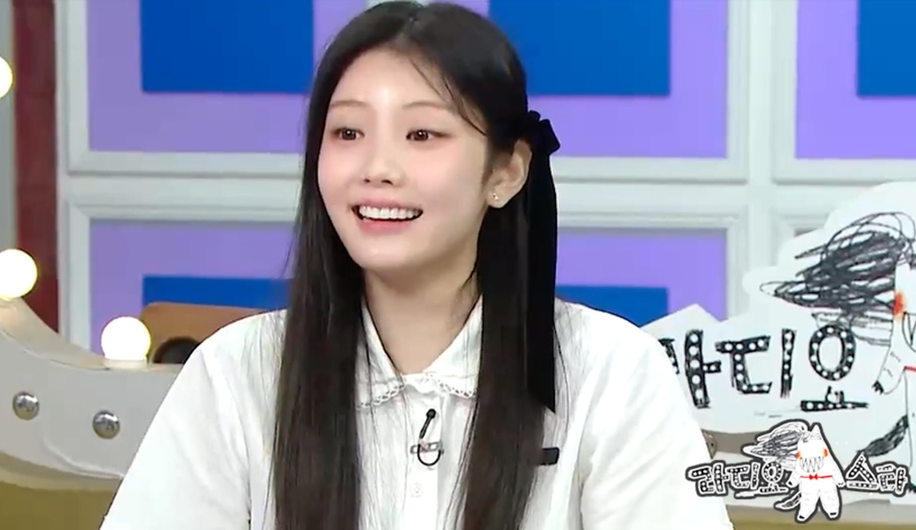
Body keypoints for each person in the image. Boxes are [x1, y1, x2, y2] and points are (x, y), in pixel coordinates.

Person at [99, 2, 734, 529]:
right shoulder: (238, 375)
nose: (377, 168)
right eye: (348, 134)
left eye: (422, 135)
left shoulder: (611, 375)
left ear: (506, 172)